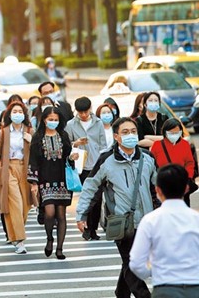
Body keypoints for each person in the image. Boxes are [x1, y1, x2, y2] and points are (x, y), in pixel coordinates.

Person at [76, 117, 158, 298]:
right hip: (121, 222)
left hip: (146, 221)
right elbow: (91, 186)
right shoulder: (107, 160)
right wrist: (81, 214)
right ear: (116, 137)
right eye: (125, 132)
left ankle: (121, 293)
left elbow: (158, 187)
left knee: (131, 262)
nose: (130, 135)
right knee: (130, 262)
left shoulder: (147, 158)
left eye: (133, 132)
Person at [129, 164, 199, 298]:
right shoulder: (196, 219)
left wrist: (154, 271)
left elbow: (136, 263)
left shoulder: (150, 221)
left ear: (158, 190)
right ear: (186, 189)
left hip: (165, 288)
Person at [0, 101, 33, 254]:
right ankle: (19, 240)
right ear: (10, 115)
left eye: (20, 111)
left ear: (24, 114)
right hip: (8, 169)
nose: (17, 114)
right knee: (15, 202)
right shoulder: (3, 133)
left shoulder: (30, 131)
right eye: (14, 111)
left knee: (25, 205)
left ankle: (15, 234)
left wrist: (32, 141)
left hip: (25, 169)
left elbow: (38, 152)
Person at [28, 106, 78, 260]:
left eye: (56, 120)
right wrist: (34, 182)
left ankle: (60, 248)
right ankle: (49, 238)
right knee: (49, 213)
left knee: (61, 215)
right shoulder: (38, 138)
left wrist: (72, 157)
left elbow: (68, 156)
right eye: (50, 120)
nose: (53, 122)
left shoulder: (63, 135)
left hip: (62, 179)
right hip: (45, 180)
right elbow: (33, 161)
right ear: (44, 120)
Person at [65, 97, 107, 241]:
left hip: (97, 165)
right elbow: (66, 144)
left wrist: (103, 161)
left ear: (90, 108)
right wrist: (76, 143)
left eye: (85, 111)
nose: (83, 114)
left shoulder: (98, 123)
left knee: (97, 199)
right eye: (80, 112)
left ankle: (93, 228)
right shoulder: (71, 124)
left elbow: (103, 145)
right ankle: (86, 227)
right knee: (86, 197)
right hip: (81, 165)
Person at [150, 118, 196, 206]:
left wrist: (188, 178)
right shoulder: (157, 145)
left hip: (181, 184)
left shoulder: (185, 144)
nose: (174, 135)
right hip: (164, 185)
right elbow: (152, 166)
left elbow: (190, 163)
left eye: (177, 133)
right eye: (171, 133)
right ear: (165, 132)